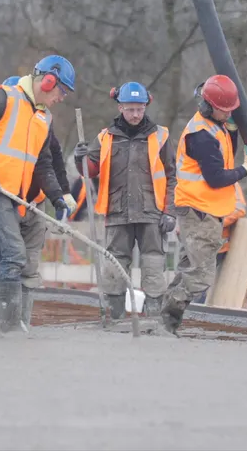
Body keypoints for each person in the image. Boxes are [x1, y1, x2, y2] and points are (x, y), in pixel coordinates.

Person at [0, 56, 76, 336]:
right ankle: (10, 330)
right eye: (62, 91)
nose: (61, 98)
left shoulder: (43, 117)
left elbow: (44, 163)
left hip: (13, 194)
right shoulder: (3, 98)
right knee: (14, 252)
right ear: (48, 81)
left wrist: (57, 197)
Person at [159, 75, 247, 334]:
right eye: (225, 110)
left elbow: (224, 155)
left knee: (189, 271)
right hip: (198, 211)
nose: (229, 114)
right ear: (209, 106)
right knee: (201, 276)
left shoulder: (213, 125)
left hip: (203, 210)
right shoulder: (201, 136)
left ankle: (162, 320)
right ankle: (166, 319)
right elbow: (217, 177)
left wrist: (232, 130)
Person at [73, 82, 176, 319]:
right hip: (117, 212)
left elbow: (172, 177)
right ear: (120, 107)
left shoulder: (160, 136)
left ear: (146, 106)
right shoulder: (105, 138)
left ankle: (153, 318)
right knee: (114, 265)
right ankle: (114, 316)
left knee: (153, 264)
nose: (136, 114)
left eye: (140, 109)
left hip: (152, 212)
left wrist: (170, 211)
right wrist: (81, 159)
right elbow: (90, 170)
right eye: (130, 109)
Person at [0, 76, 76, 292]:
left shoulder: (41, 123)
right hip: (6, 200)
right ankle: (3, 306)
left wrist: (64, 193)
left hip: (35, 201)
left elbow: (54, 157)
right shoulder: (0, 128)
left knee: (30, 263)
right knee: (7, 258)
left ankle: (23, 309)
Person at [193, 181, 246, 304]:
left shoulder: (231, 182)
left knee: (200, 282)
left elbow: (239, 209)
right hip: (194, 240)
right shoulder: (196, 179)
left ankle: (194, 311)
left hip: (215, 244)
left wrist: (214, 225)